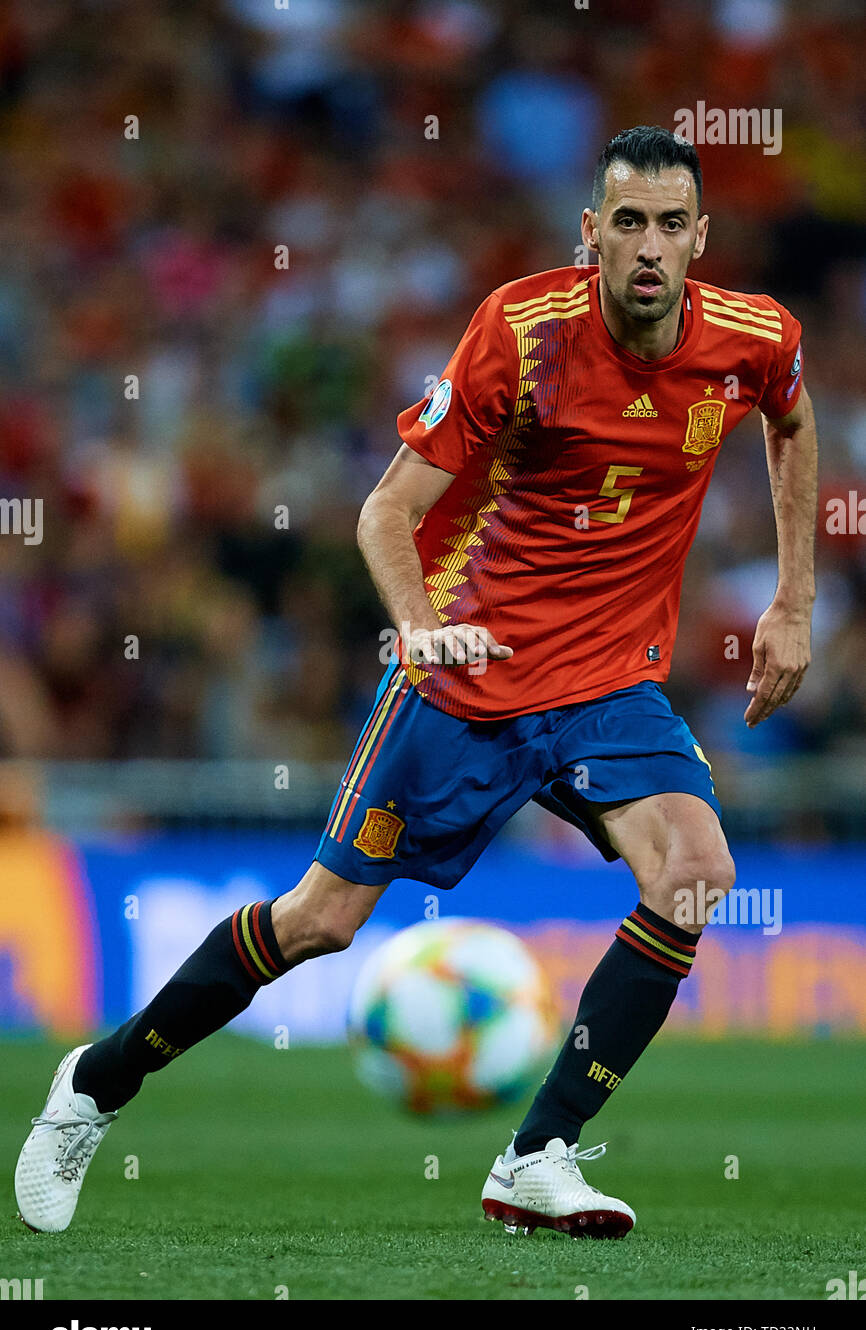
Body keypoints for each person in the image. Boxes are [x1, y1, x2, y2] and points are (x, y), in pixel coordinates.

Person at [15, 126, 816, 1240]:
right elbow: (383, 510)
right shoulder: (521, 333)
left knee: (692, 871)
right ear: (589, 234)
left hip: (604, 684)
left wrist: (790, 602)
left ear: (698, 240)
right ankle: (92, 1089)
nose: (646, 246)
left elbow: (787, 415)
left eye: (668, 225)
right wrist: (423, 628)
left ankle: (535, 1153)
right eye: (624, 222)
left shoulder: (749, 335)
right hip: (468, 674)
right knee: (319, 921)